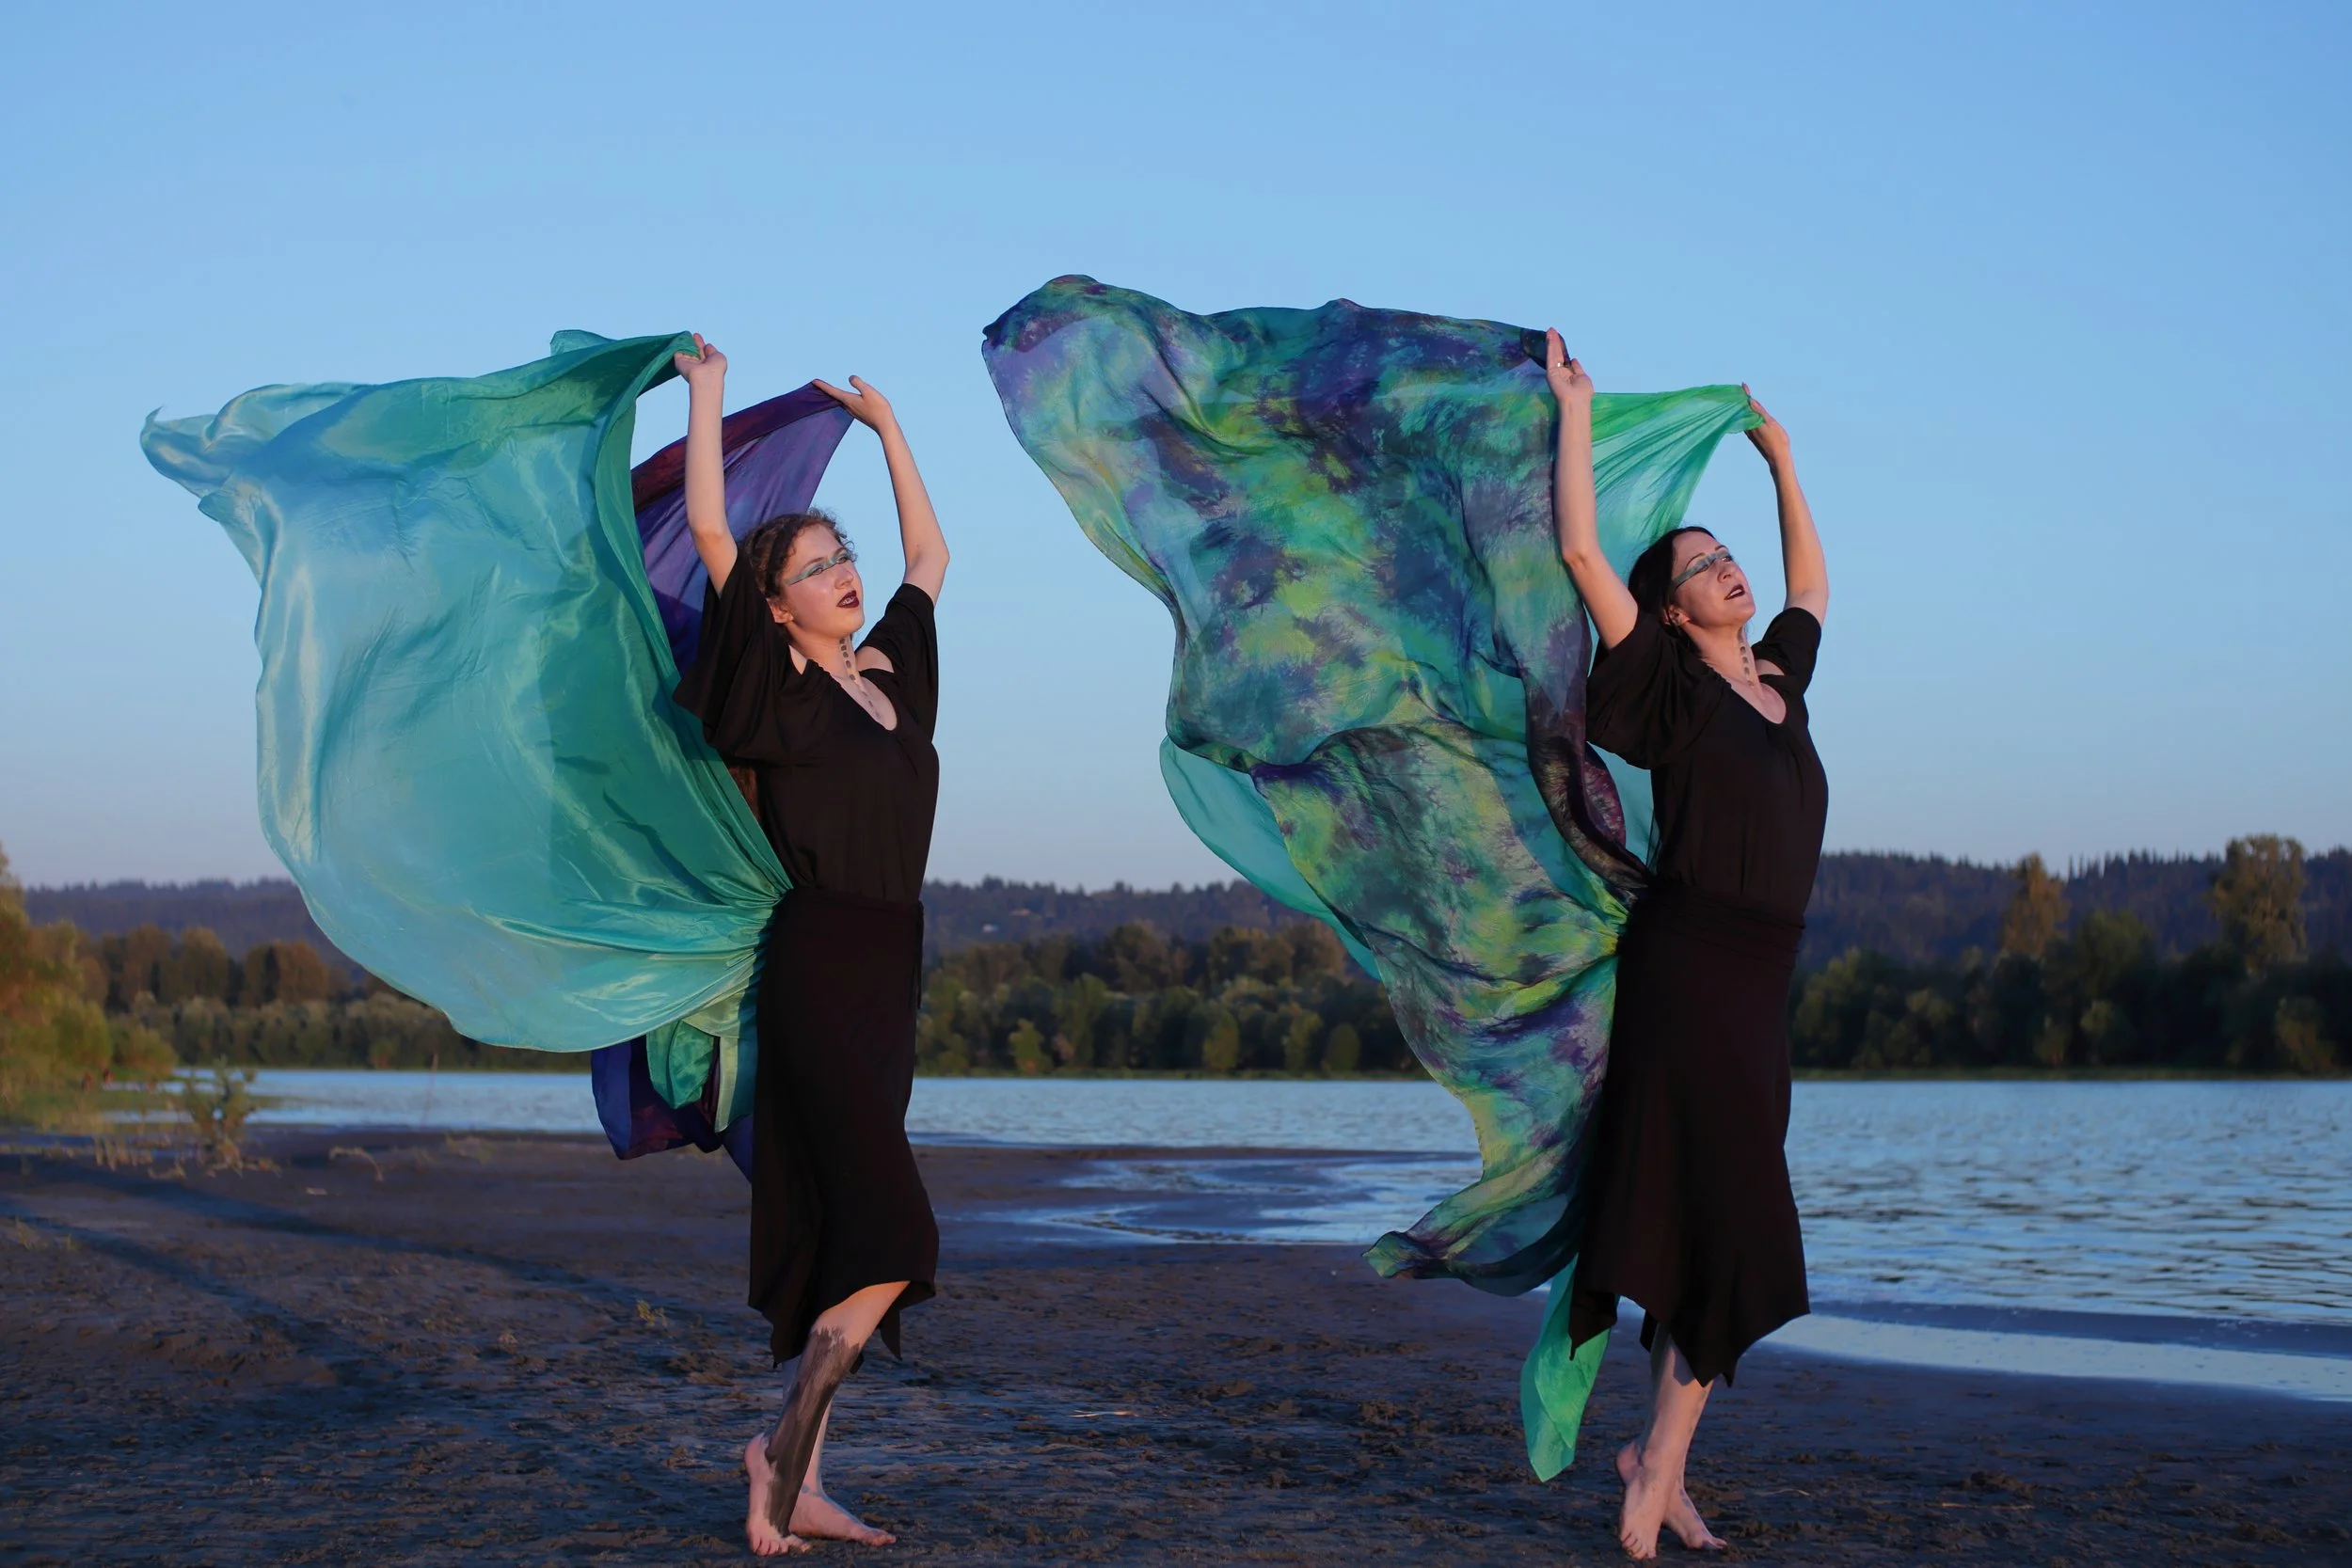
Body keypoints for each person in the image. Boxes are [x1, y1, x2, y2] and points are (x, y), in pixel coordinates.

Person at [1545, 329, 1830, 1560]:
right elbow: (1579, 550)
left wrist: (1780, 459)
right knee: (1740, 1219)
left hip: (1760, 985)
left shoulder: (1780, 682)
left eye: (1727, 556)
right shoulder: (1667, 690)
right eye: (1702, 564)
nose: (1729, 569)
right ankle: (1655, 1465)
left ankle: (1657, 1463)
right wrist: (1576, 408)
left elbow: (1812, 589)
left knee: (1716, 1223)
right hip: (1691, 970)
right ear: (1670, 608)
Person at [668, 335, 951, 1557]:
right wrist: (711, 397)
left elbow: (930, 559)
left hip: (890, 970)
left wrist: (889, 431)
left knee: (849, 1232)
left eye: (843, 557)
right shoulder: (779, 697)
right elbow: (714, 533)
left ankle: (808, 1475)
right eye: (816, 567)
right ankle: (778, 1456)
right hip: (823, 966)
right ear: (777, 608)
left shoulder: (890, 681)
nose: (844, 574)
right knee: (897, 1235)